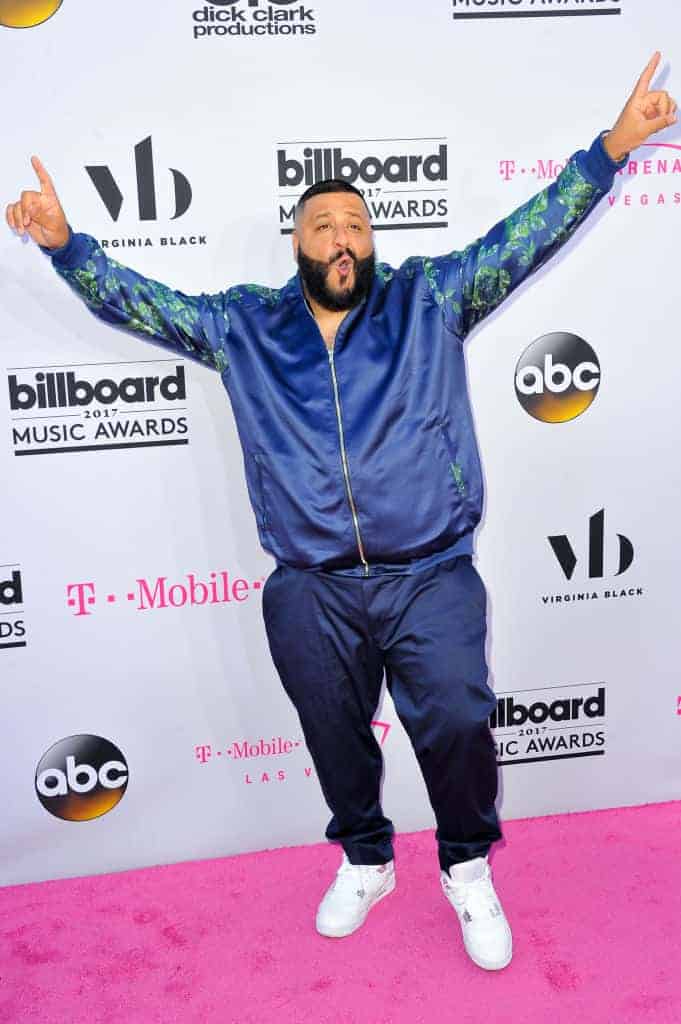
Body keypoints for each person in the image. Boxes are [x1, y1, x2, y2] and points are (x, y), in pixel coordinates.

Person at [6, 52, 676, 972]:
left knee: (454, 720)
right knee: (332, 733)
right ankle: (366, 857)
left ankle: (466, 863)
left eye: (356, 223)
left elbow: (527, 235)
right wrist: (66, 247)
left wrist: (612, 150)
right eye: (322, 224)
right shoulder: (244, 325)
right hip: (309, 588)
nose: (341, 237)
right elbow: (145, 304)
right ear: (296, 244)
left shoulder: (428, 297)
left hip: (430, 572)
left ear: (372, 240)